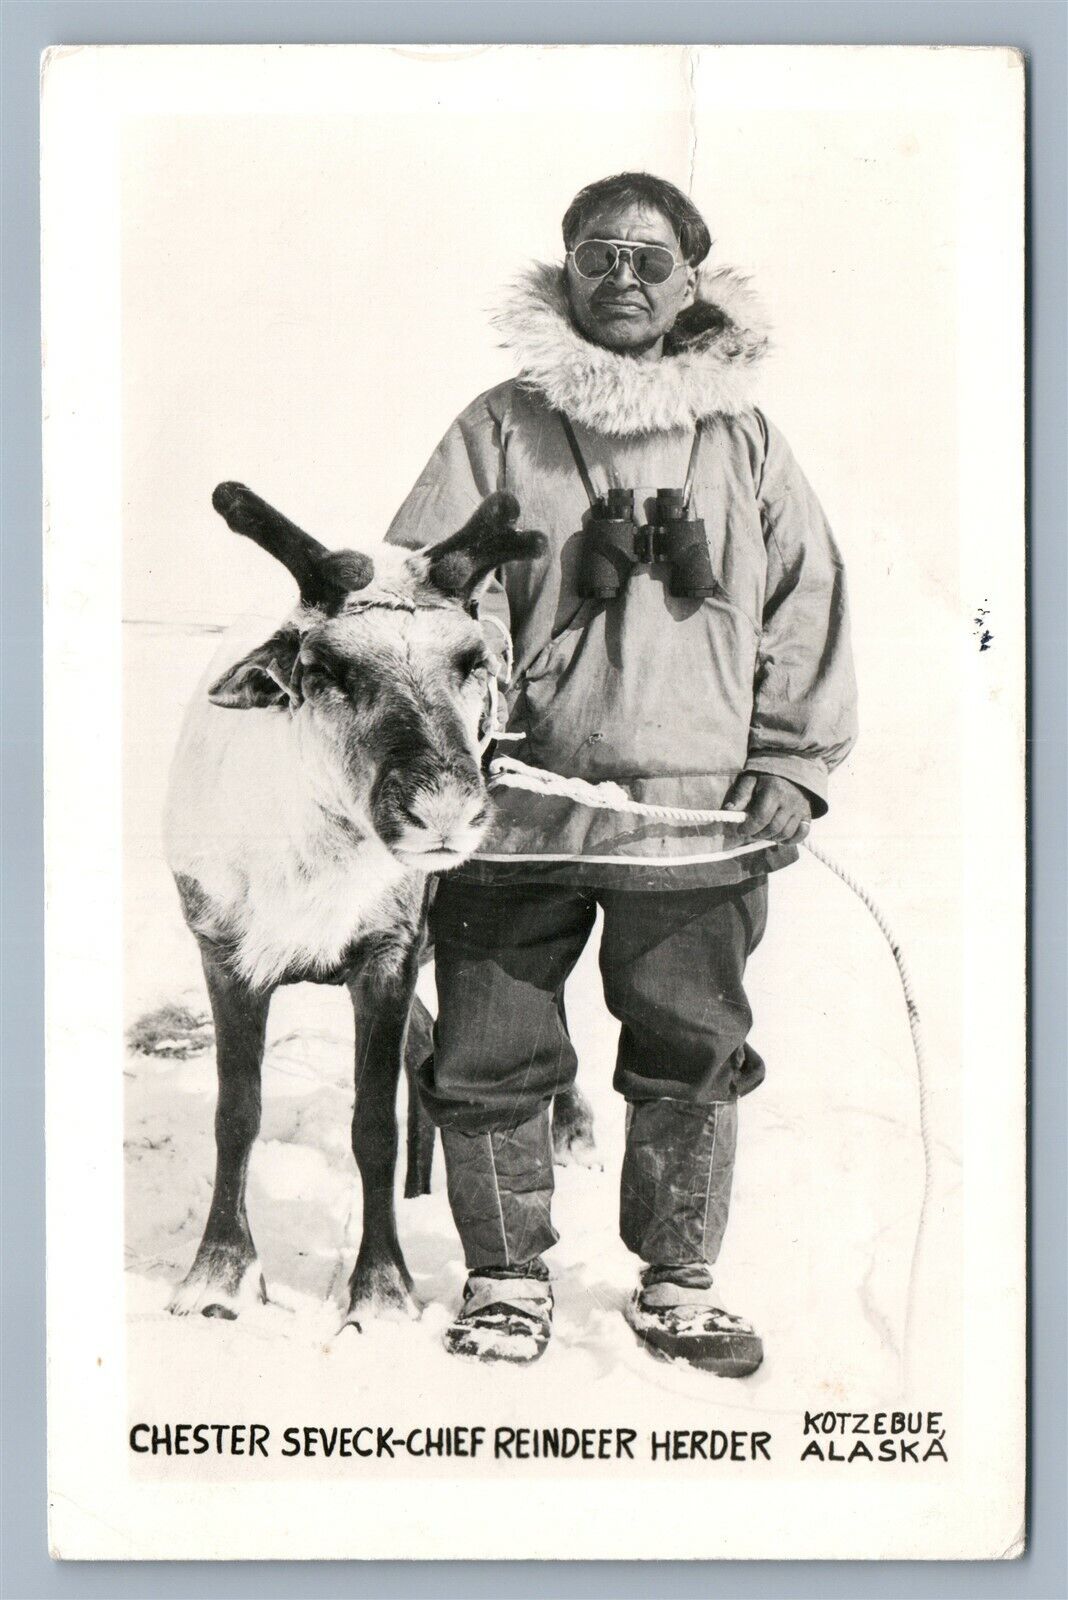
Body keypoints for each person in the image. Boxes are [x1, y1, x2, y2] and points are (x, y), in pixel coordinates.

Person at [386, 171, 858, 1374]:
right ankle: (502, 1276)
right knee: (492, 1042)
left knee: (688, 1043)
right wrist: (454, 750)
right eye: (601, 256)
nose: (626, 280)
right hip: (522, 801)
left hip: (695, 815)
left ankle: (679, 1278)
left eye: (652, 261)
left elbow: (809, 602)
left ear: (694, 281)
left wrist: (793, 765)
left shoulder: (743, 435)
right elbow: (424, 600)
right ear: (565, 270)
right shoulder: (500, 423)